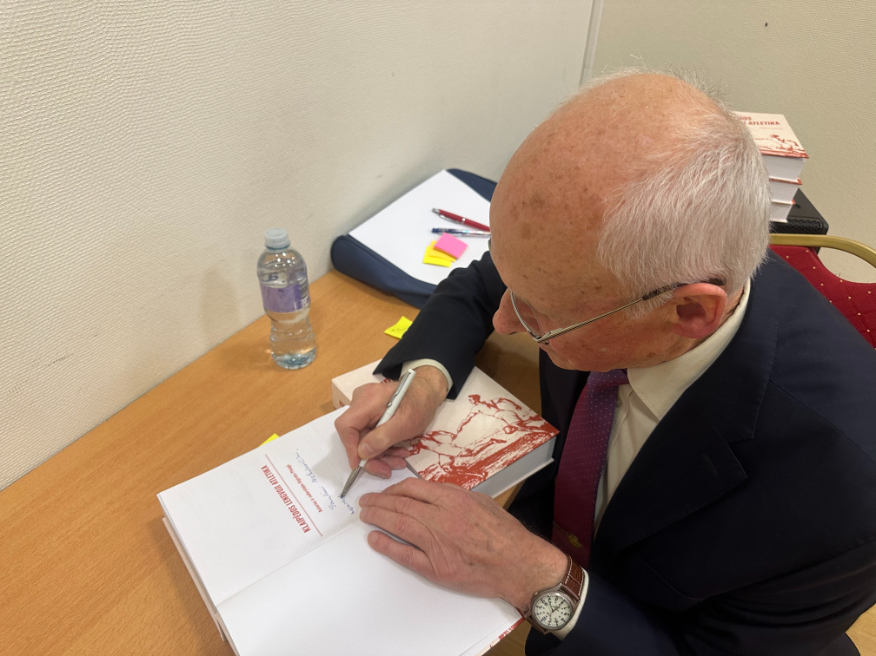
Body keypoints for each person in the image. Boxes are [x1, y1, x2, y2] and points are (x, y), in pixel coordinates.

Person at [335, 70, 876, 655]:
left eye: (541, 314)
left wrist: (538, 577)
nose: (506, 321)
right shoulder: (589, 262)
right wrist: (424, 377)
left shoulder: (848, 501)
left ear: (690, 311)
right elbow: (485, 283)